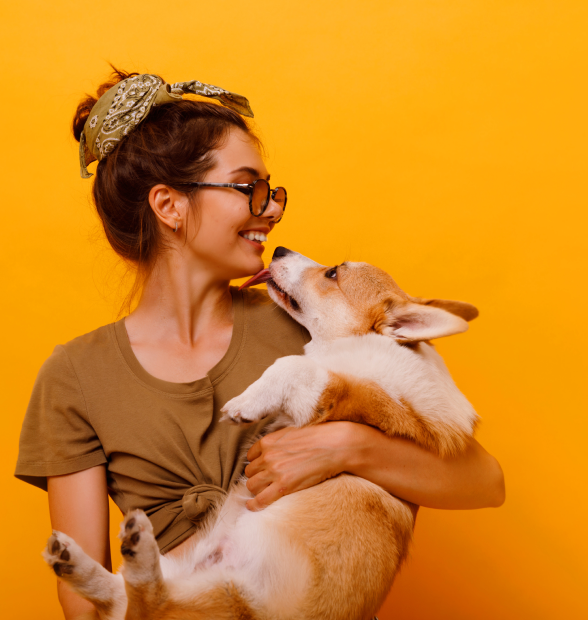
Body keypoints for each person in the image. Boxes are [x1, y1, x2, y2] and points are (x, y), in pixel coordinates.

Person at [15, 69, 505, 620]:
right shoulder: (76, 376)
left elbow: (483, 481)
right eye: (249, 187)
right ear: (169, 206)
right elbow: (83, 605)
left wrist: (345, 447)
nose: (271, 209)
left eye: (273, 191)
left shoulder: (315, 329)